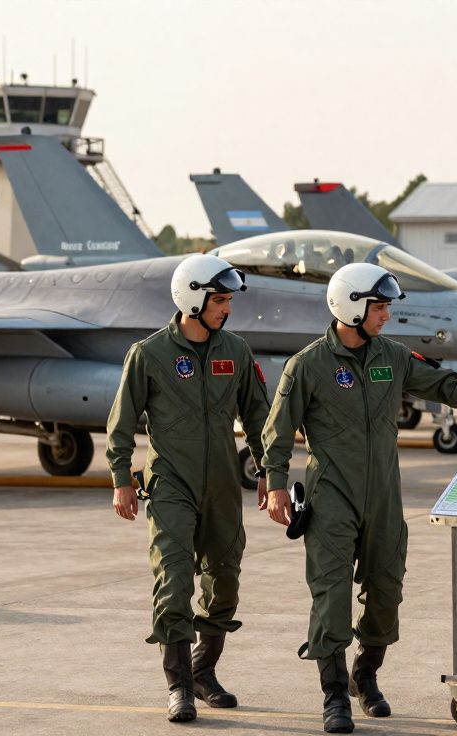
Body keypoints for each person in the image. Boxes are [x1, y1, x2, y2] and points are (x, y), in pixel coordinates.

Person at [261, 262, 457, 734]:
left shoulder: (393, 356)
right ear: (352, 306)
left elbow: (442, 383)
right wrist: (276, 482)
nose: (386, 316)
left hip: (384, 495)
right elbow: (277, 431)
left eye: (385, 307)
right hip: (332, 497)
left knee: (386, 593)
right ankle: (336, 694)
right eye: (379, 307)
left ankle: (366, 674)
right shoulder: (308, 366)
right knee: (332, 596)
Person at [106, 254, 271, 722]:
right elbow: (120, 425)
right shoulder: (149, 354)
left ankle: (203, 670)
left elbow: (258, 417)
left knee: (224, 584)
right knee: (174, 583)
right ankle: (178, 685)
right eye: (219, 300)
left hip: (221, 485)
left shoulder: (235, 351)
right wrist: (121, 479)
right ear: (192, 299)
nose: (227, 309)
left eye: (228, 300)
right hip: (170, 484)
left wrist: (269, 473)